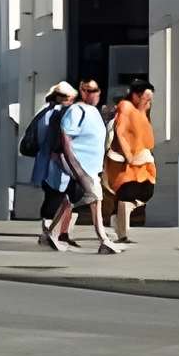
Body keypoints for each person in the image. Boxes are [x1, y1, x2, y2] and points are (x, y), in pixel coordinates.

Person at [61, 77, 119, 254]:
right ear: (82, 92)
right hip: (81, 165)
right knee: (96, 198)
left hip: (93, 167)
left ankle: (52, 234)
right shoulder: (76, 110)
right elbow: (65, 137)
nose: (93, 94)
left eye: (95, 90)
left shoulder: (93, 111)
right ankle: (103, 239)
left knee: (71, 202)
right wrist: (74, 166)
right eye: (88, 90)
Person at [106, 77, 157, 241]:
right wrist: (129, 156)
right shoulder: (126, 107)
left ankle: (119, 220)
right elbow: (120, 132)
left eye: (150, 99)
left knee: (145, 192)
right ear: (136, 96)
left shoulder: (142, 111)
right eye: (146, 98)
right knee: (127, 194)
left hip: (143, 161)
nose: (148, 102)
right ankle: (122, 232)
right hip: (130, 163)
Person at [29, 80, 77, 248]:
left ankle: (52, 232)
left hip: (44, 162)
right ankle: (55, 233)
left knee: (54, 197)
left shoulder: (43, 112)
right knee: (60, 197)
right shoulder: (60, 114)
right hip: (58, 163)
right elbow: (58, 141)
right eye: (71, 98)